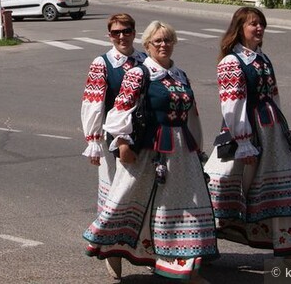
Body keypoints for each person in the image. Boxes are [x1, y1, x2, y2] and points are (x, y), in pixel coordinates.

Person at [84, 21, 217, 282]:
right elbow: (119, 112)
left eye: (168, 40)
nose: (163, 45)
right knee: (130, 199)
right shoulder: (139, 73)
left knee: (186, 206)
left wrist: (197, 148)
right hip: (152, 149)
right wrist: (122, 144)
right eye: (157, 41)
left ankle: (184, 267)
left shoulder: (180, 75)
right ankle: (114, 248)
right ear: (147, 45)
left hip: (182, 151)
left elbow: (192, 114)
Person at [204, 7, 291, 264]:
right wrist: (243, 141)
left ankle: (290, 248)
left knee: (281, 185)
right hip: (246, 132)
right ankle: (202, 241)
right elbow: (231, 105)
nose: (259, 28)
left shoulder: (262, 59)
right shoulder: (231, 62)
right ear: (240, 29)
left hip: (271, 133)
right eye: (253, 24)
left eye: (261, 24)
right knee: (226, 185)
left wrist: (282, 129)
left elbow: (274, 96)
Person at [80, 13, 147, 279]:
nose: (122, 36)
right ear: (109, 35)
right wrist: (94, 141)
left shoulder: (144, 60)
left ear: (134, 32)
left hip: (142, 140)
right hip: (112, 142)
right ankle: (112, 253)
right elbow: (93, 103)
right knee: (114, 200)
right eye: (116, 32)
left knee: (141, 197)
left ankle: (144, 252)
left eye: (127, 31)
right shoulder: (103, 63)